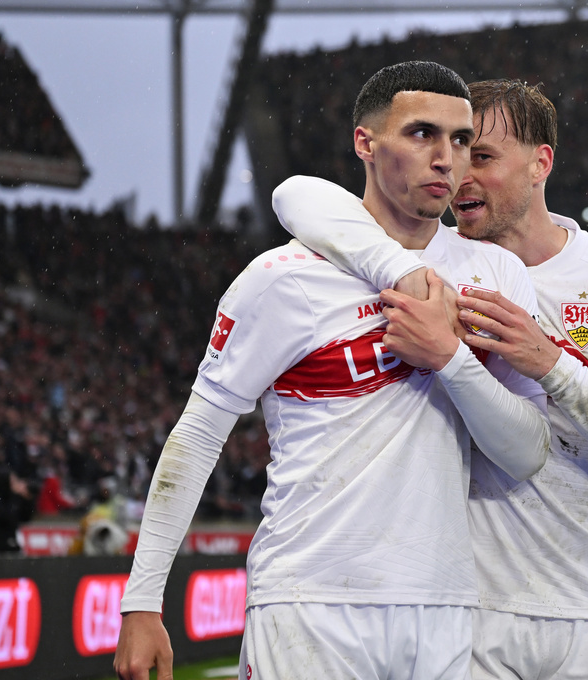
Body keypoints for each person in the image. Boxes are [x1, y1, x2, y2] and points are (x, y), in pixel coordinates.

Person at [114, 61, 550, 680]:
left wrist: (451, 360)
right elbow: (198, 432)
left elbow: (527, 451)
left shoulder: (496, 276)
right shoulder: (283, 277)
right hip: (308, 604)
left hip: (445, 610)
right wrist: (141, 600)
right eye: (422, 133)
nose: (446, 159)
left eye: (460, 140)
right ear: (365, 144)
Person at [274, 78, 588, 679]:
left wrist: (549, 363)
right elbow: (296, 196)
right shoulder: (416, 263)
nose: (460, 173)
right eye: (459, 149)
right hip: (464, 616)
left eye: (483, 155)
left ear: (541, 163)